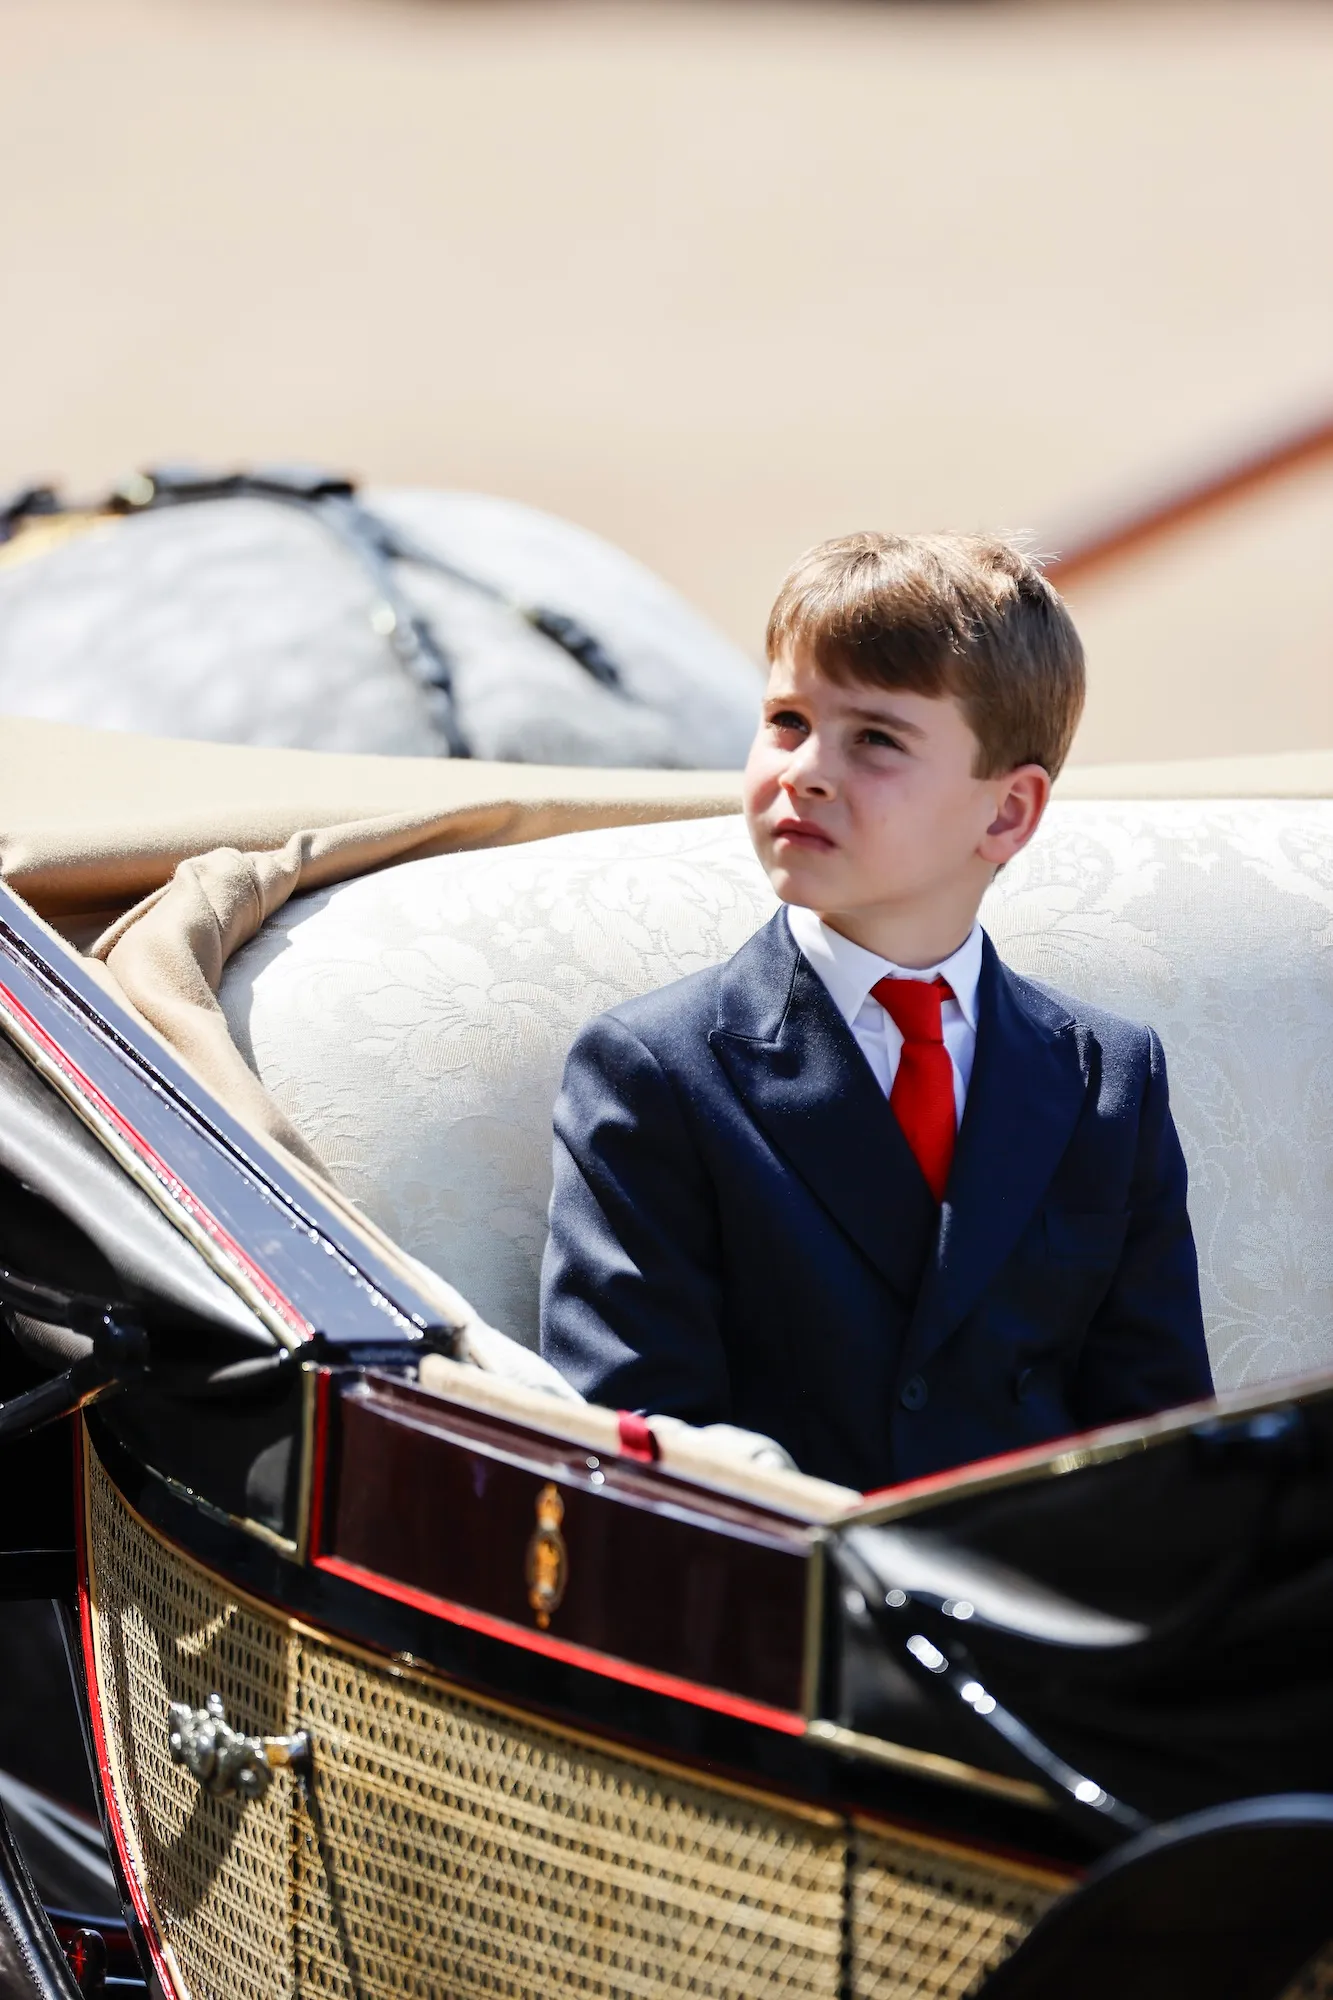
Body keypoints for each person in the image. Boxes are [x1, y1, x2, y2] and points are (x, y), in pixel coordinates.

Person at [539, 532, 1212, 1491]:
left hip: (1049, 1608)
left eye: (875, 739)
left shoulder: (1106, 1074)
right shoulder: (656, 1071)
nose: (805, 770)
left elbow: (1157, 1437)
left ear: (1008, 814)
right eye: (784, 720)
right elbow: (640, 1436)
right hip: (785, 1610)